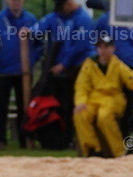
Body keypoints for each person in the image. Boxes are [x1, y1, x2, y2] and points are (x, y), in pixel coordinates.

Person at [0, 0, 40, 148]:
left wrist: (32, 60)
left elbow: (39, 45)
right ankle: (0, 140)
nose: (16, 3)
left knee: (24, 107)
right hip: (3, 70)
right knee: (1, 107)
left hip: (23, 72)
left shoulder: (31, 19)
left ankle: (24, 140)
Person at [72, 34, 133, 157]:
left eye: (106, 47)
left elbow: (131, 79)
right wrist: (80, 102)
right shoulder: (89, 64)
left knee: (104, 117)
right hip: (93, 99)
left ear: (113, 48)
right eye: (101, 47)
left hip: (112, 99)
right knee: (80, 114)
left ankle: (119, 152)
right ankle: (92, 149)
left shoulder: (117, 64)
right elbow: (82, 85)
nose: (103, 50)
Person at [35, 0, 95, 140]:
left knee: (79, 101)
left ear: (68, 3)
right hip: (71, 66)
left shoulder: (83, 18)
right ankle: (69, 136)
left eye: (62, 8)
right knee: (67, 101)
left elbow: (80, 46)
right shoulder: (71, 18)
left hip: (80, 66)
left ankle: (79, 136)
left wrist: (63, 64)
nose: (61, 12)